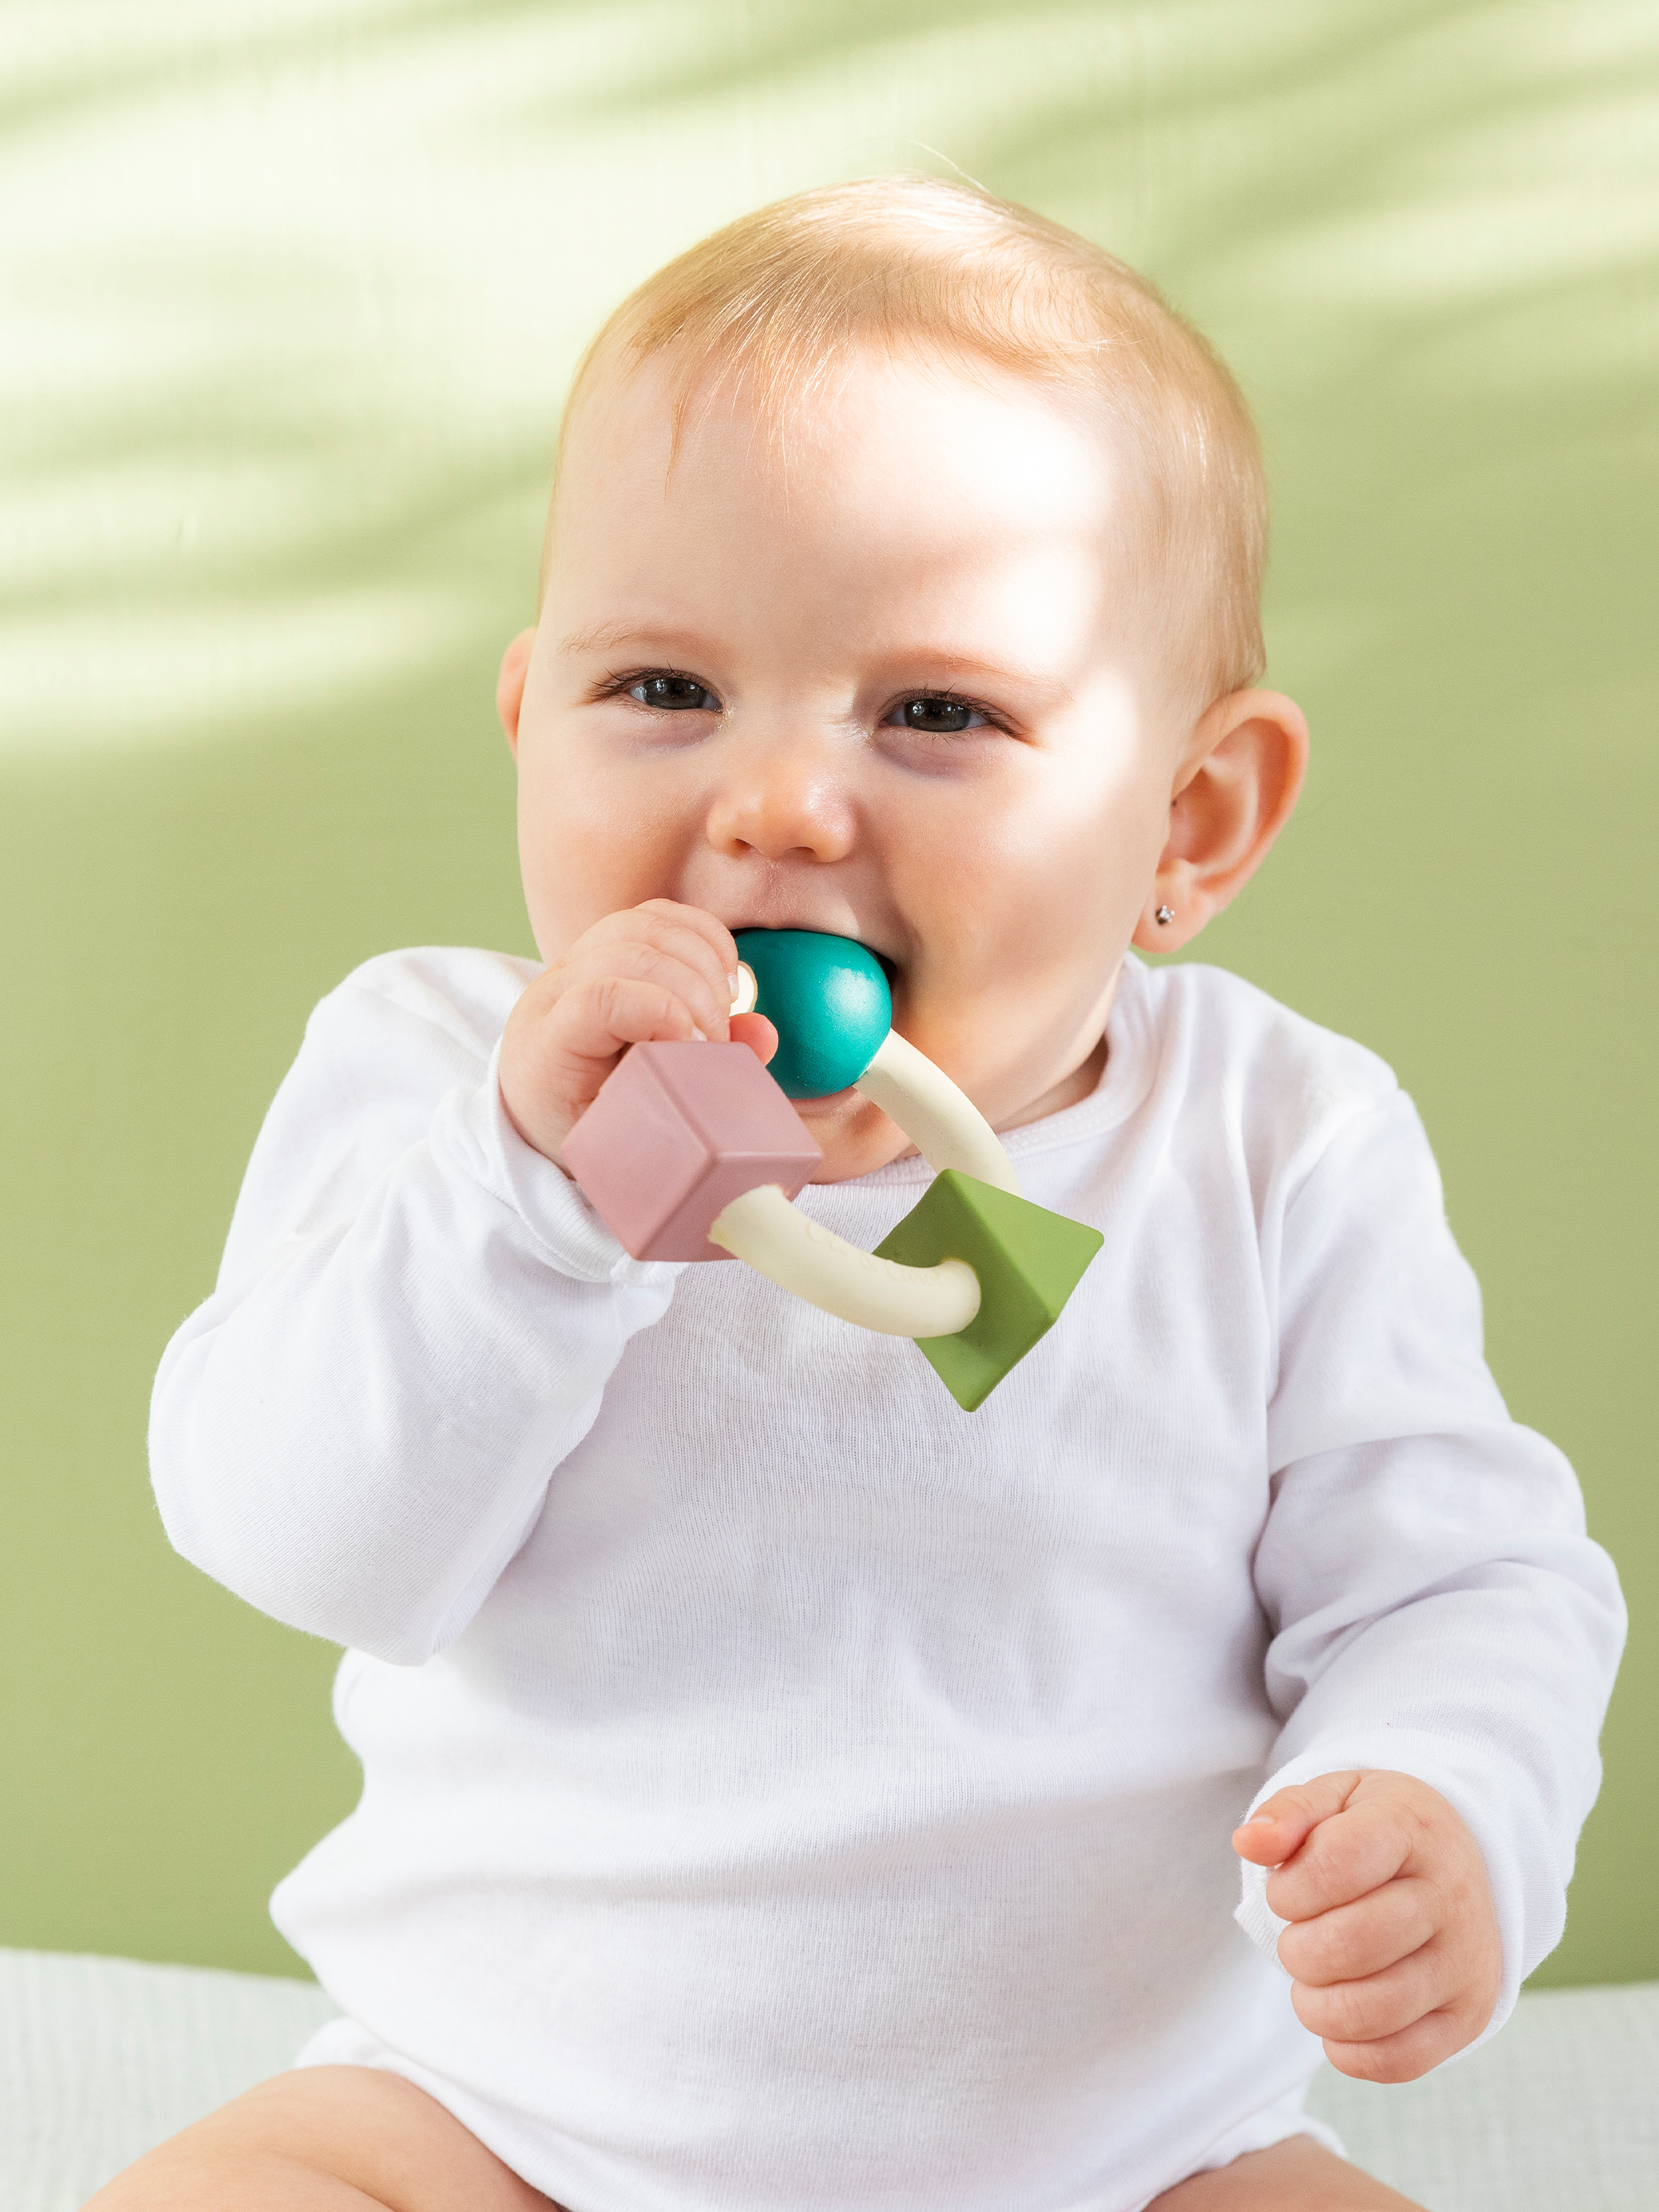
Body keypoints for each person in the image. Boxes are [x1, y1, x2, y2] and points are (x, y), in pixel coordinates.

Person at [101, 177, 1623, 2212]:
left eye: (934, 713)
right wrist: (538, 1197)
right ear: (529, 719)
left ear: (1191, 814)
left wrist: (1443, 1801)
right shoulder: (436, 1086)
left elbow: (1460, 1584)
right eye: (661, 690)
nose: (781, 803)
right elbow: (308, 1536)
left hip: (1130, 2153)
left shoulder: (1277, 1143)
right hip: (493, 2121)